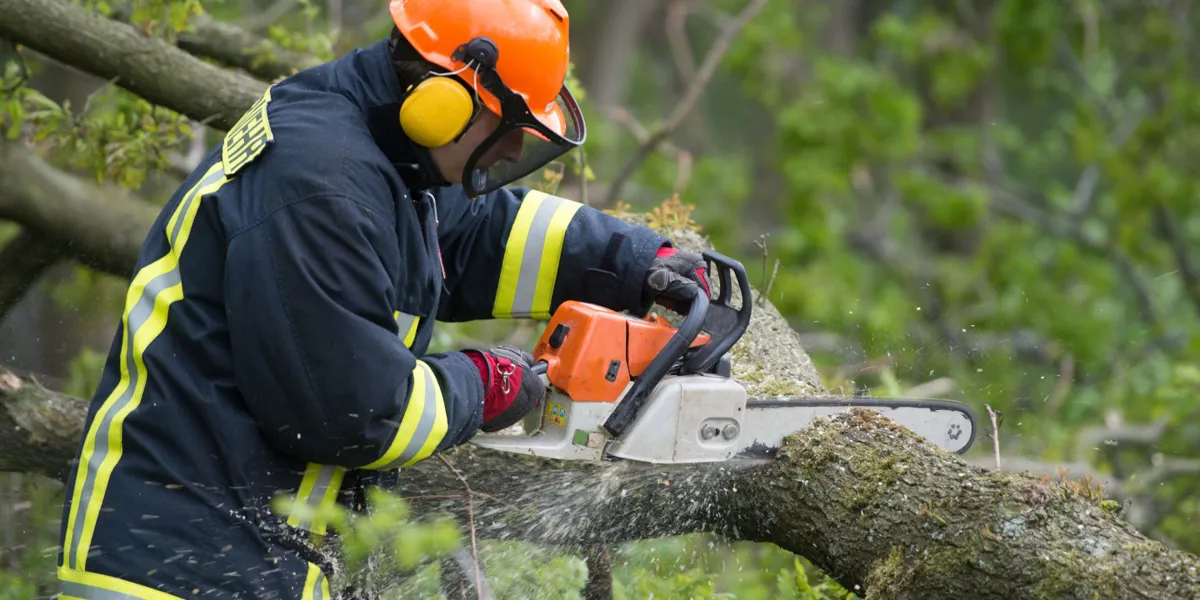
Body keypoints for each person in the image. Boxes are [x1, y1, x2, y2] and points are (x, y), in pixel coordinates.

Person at [55, 1, 711, 598]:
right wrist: (480, 387)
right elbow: (353, 413)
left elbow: (476, 235)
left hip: (240, 559)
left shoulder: (386, 158)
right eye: (506, 122)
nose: (513, 147)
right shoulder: (323, 184)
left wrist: (634, 264)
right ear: (442, 100)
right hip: (171, 571)